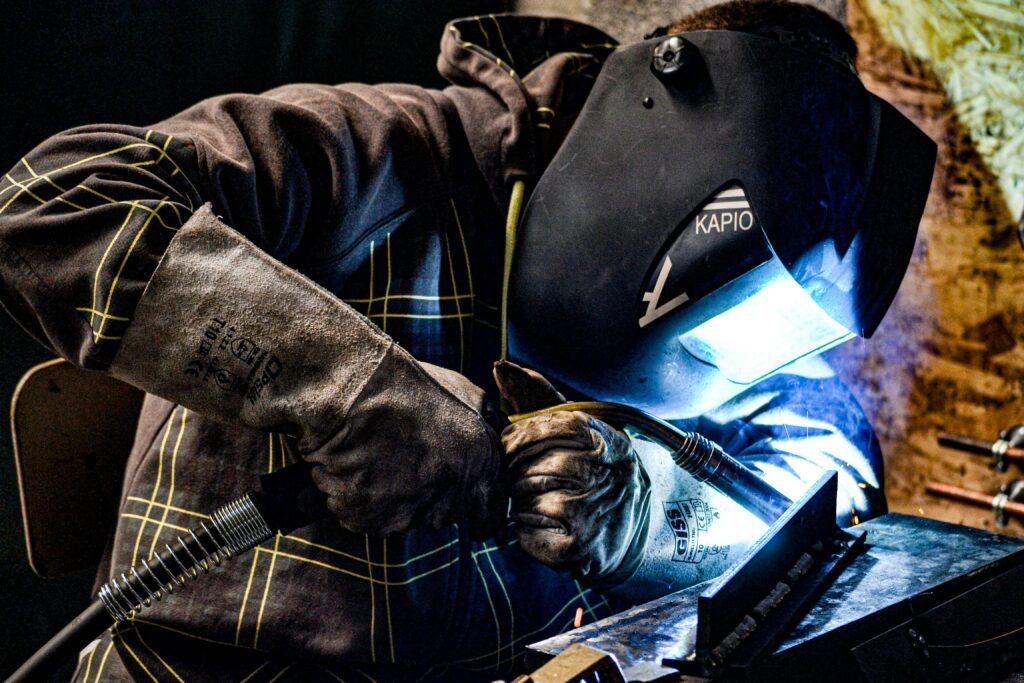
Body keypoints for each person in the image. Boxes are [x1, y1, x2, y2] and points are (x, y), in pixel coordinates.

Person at [0, 1, 933, 680]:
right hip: (209, 667)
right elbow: (50, 206)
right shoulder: (376, 149)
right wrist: (346, 384)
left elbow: (839, 496)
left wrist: (644, 513)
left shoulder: (754, 307)